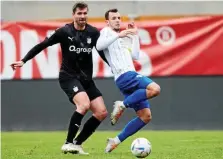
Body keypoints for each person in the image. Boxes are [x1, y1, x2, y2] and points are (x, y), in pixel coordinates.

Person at [10, 2, 108, 155]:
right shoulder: (64, 31)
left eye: (84, 14)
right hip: (68, 77)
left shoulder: (94, 33)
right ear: (73, 15)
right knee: (83, 105)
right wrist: (23, 60)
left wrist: (116, 67)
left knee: (101, 112)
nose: (82, 17)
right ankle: (68, 143)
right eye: (79, 14)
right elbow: (42, 45)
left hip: (86, 79)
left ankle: (76, 143)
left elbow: (102, 53)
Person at [96, 9, 161, 153]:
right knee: (155, 89)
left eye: (119, 17)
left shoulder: (122, 37)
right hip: (125, 76)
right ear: (107, 21)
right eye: (114, 18)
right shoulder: (106, 32)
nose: (117, 20)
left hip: (129, 76)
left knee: (145, 116)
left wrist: (134, 36)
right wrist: (119, 34)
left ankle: (115, 141)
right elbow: (99, 46)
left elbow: (136, 55)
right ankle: (122, 105)